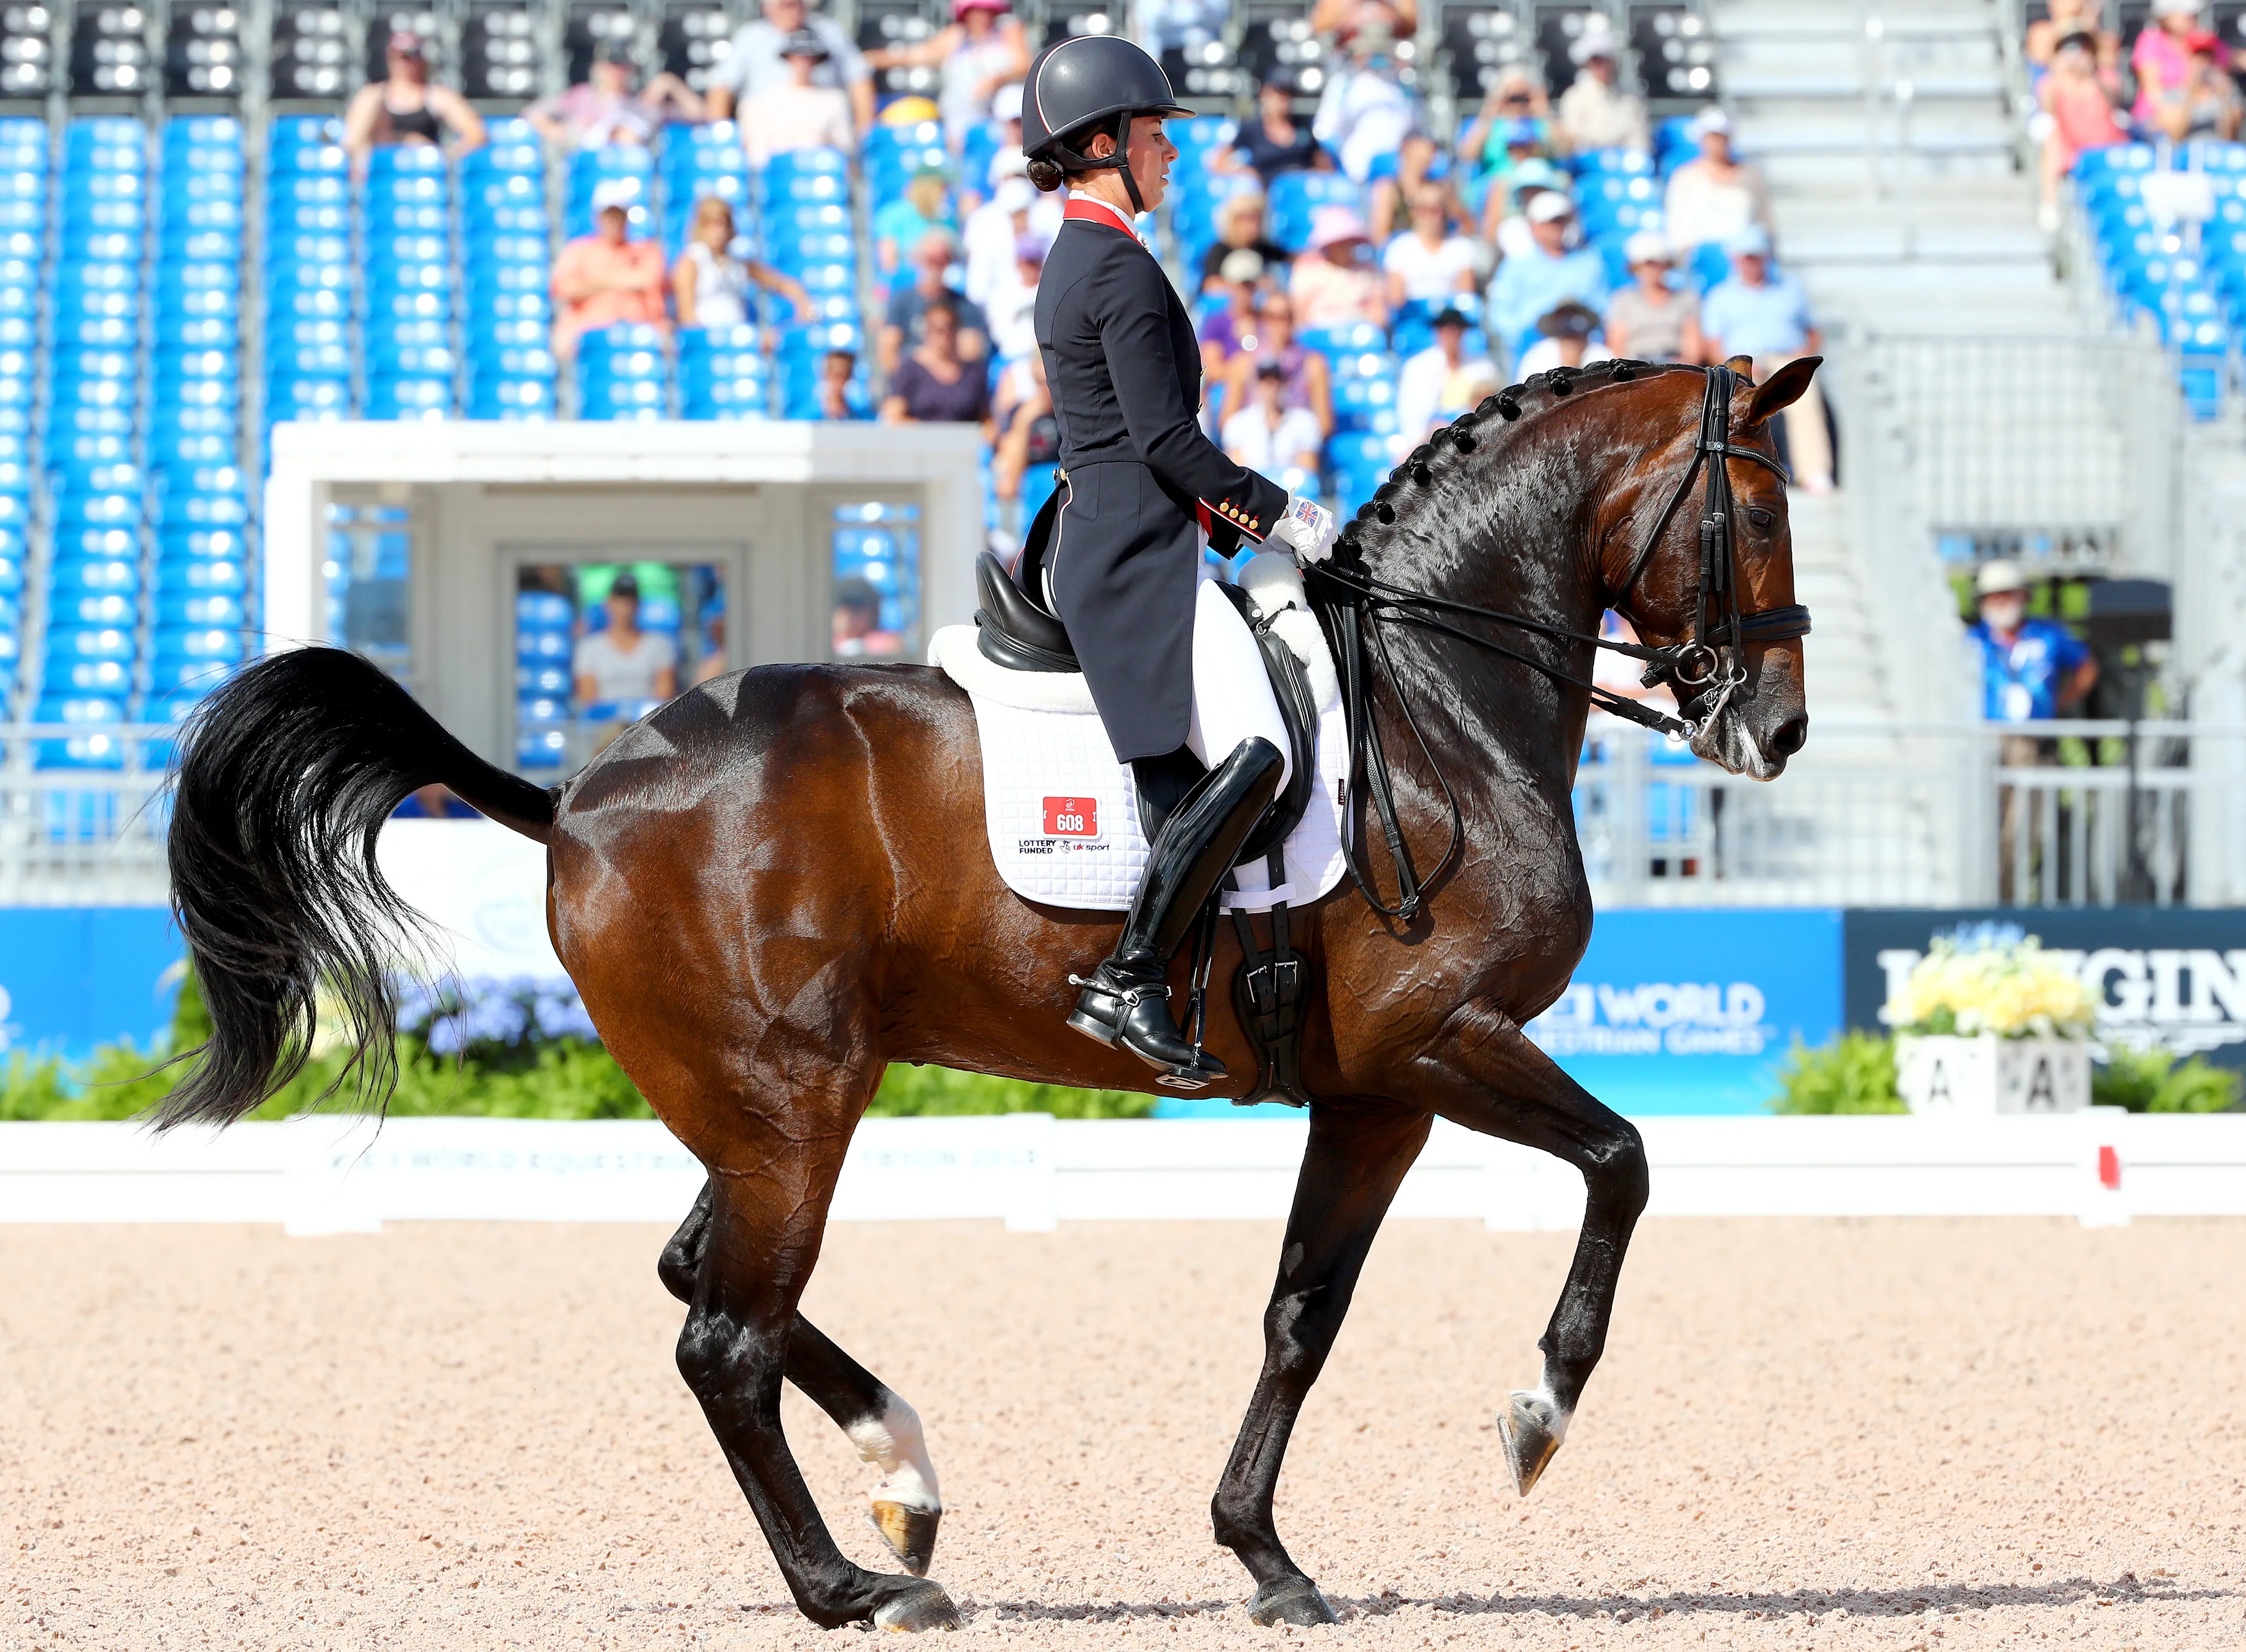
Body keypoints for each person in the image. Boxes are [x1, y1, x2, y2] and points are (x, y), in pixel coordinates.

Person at [1020, 35, 1335, 1082]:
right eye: (1156, 135)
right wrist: (1282, 515)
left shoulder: (1093, 255)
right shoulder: (1107, 263)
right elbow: (1165, 444)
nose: (1171, 155)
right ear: (1102, 142)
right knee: (1262, 751)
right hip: (1132, 555)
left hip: (1131, 537)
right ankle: (1132, 973)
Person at [1966, 560, 2097, 900]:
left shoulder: (2047, 634)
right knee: (1983, 828)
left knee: (2022, 833)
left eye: (2006, 594)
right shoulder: (1970, 640)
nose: (1999, 602)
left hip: (2032, 744)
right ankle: (1988, 898)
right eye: (1991, 596)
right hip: (1985, 742)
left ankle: (2009, 898)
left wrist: (2060, 702)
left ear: (2022, 595)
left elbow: (2086, 666)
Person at [1700, 225, 1831, 493]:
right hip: (1741, 363)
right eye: (1747, 257)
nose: (1752, 263)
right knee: (1739, 400)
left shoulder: (1791, 289)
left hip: (1786, 357)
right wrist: (1734, 366)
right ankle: (1733, 469)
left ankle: (1814, 471)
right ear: (1736, 260)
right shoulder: (1721, 296)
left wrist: (1803, 356)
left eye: (1756, 256)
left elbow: (1813, 333)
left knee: (1805, 395)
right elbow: (1712, 345)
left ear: (1767, 257)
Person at [865, 0, 1030, 149]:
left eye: (986, 10)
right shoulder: (956, 37)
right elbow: (914, 56)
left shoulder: (1008, 30)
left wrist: (997, 80)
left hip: (1000, 118)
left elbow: (1024, 65)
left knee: (1011, 100)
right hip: (961, 116)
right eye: (975, 11)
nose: (981, 16)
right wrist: (868, 59)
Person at [705, 0, 873, 138]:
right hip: (767, 120)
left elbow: (859, 78)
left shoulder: (829, 32)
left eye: (795, 5)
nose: (792, 11)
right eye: (785, 6)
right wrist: (721, 137)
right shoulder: (750, 36)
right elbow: (721, 88)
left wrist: (864, 130)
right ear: (767, 7)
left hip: (821, 122)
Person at [1312, 24, 1420, 239]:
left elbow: (1416, 131)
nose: (1376, 56)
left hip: (1399, 170)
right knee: (1384, 184)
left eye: (1381, 51)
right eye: (1370, 50)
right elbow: (1324, 131)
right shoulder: (1343, 85)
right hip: (1355, 170)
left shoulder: (1403, 87)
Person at [1484, 191, 1608, 370]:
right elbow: (1500, 317)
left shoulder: (1589, 262)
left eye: (1559, 222)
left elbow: (1602, 310)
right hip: (1534, 346)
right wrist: (1532, 327)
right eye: (1549, 223)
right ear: (1534, 227)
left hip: (1583, 345)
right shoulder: (1516, 266)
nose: (1555, 229)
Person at [551, 180, 668, 361]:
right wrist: (622, 280)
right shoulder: (578, 250)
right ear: (597, 217)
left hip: (640, 330)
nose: (614, 222)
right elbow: (565, 289)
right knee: (562, 341)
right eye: (609, 216)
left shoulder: (647, 250)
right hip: (586, 331)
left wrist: (594, 283)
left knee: (668, 339)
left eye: (618, 215)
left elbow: (650, 280)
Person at [524, 41, 703, 150]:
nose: (616, 72)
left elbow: (701, 115)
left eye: (621, 66)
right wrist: (558, 132)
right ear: (597, 68)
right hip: (589, 177)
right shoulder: (582, 97)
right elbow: (533, 112)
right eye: (610, 66)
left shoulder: (643, 104)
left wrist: (670, 83)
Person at [342, 31, 486, 166]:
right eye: (401, 57)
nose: (406, 64)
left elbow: (476, 134)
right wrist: (396, 144)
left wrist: (441, 156)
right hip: (384, 170)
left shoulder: (436, 96)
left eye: (411, 57)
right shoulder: (372, 97)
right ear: (390, 58)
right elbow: (352, 142)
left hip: (424, 173)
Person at [674, 197, 814, 329]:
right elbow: (687, 317)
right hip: (707, 342)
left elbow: (781, 283)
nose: (719, 231)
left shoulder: (738, 262)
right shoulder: (691, 262)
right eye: (712, 224)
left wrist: (803, 302)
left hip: (740, 339)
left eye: (724, 224)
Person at [2039, 25, 2129, 218]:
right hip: (2071, 150)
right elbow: (2047, 107)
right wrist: (2058, 72)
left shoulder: (2106, 78)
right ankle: (2050, 205)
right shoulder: (2054, 84)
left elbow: (2113, 101)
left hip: (2106, 147)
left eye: (2082, 48)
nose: (2076, 55)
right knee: (2051, 140)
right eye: (2069, 49)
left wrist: (2092, 75)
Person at [1220, 291, 1333, 437]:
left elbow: (1324, 424)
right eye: (1270, 317)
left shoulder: (1313, 364)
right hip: (1254, 439)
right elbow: (1227, 422)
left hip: (1296, 440)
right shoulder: (1242, 364)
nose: (1277, 324)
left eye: (1284, 317)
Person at [1661, 108, 1771, 257]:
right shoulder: (1684, 178)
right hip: (1700, 262)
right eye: (1711, 137)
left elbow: (1764, 224)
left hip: (1744, 260)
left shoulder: (1751, 177)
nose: (1717, 143)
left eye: (1721, 137)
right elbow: (1677, 229)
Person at [738, 27, 856, 165]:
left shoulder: (834, 101)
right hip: (778, 177)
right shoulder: (759, 104)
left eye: (810, 57)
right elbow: (757, 157)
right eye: (798, 56)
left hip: (818, 175)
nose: (804, 62)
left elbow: (845, 150)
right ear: (788, 58)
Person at [880, 228, 989, 373]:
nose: (935, 266)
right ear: (919, 260)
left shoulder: (965, 307)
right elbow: (888, 355)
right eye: (930, 259)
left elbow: (972, 352)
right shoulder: (902, 302)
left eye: (942, 259)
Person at [879, 296, 992, 429]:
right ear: (927, 332)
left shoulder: (974, 372)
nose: (945, 336)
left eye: (950, 328)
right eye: (939, 330)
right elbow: (894, 414)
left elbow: (986, 417)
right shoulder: (910, 369)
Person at [573, 572, 678, 707]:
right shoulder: (589, 647)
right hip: (605, 725)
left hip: (646, 723)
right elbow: (588, 698)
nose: (625, 608)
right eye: (620, 600)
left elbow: (664, 694)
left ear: (638, 605)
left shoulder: (660, 645)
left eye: (630, 601)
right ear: (609, 604)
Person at [1395, 303, 1493, 441]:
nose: (1451, 335)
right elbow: (1410, 416)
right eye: (1445, 329)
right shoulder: (1417, 368)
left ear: (1463, 332)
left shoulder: (1483, 368)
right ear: (1437, 333)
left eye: (1455, 329)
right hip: (1430, 441)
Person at [1603, 230, 1703, 364]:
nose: (1651, 270)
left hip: (1675, 368)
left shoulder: (1685, 299)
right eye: (1646, 265)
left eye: (1656, 264)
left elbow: (1693, 349)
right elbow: (1616, 347)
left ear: (1667, 265)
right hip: (1636, 369)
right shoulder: (1623, 300)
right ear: (1635, 267)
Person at [1554, 16, 1649, 154]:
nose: (1601, 66)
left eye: (1605, 59)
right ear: (1588, 63)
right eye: (1596, 60)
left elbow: (1639, 143)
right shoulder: (1574, 98)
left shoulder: (1633, 99)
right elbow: (1574, 144)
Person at [1383, 180, 1481, 308]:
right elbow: (1396, 300)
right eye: (1423, 209)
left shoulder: (1461, 247)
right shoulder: (1399, 248)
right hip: (1413, 318)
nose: (1429, 216)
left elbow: (1466, 299)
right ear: (1414, 213)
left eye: (1435, 210)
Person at [1289, 205, 1386, 330]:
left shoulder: (1368, 270)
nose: (1345, 245)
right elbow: (1300, 318)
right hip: (1319, 340)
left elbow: (1378, 315)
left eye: (1348, 240)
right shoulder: (1308, 269)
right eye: (1340, 241)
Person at [1221, 359, 1325, 476]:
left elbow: (1307, 473)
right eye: (1266, 382)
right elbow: (1237, 471)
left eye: (1277, 382)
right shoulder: (1238, 424)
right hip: (1253, 489)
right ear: (1257, 385)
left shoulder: (1305, 422)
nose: (1272, 388)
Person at [1224, 76, 1327, 183]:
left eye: (1286, 95)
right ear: (1264, 95)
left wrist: (1312, 176)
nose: (1281, 101)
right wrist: (1246, 173)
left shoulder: (1303, 128)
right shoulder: (1252, 129)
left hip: (1300, 190)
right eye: (1276, 95)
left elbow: (1324, 166)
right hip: (1267, 191)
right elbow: (1219, 161)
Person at [2154, 28, 2242, 141]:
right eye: (2198, 57)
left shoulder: (2228, 90)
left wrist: (2225, 98)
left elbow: (2231, 137)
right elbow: (2175, 137)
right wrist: (2190, 96)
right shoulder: (2174, 94)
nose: (2204, 62)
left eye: (2208, 56)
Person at [875, 167, 958, 285]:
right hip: (903, 287)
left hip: (940, 286)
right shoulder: (892, 216)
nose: (945, 194)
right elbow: (888, 262)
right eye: (941, 188)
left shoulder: (947, 219)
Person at [1195, 190, 1289, 295]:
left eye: (1255, 218)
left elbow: (1290, 260)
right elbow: (1211, 285)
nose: (1252, 225)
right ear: (1233, 221)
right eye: (1245, 219)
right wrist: (1243, 287)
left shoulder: (1266, 249)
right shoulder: (1220, 250)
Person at [1198, 248, 1267, 385]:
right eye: (1240, 285)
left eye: (1249, 285)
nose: (1245, 291)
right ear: (1230, 286)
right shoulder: (1216, 323)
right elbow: (1212, 369)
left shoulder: (1267, 319)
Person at [2132, 0, 2205, 126]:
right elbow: (2153, 92)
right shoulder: (2151, 40)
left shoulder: (2199, 42)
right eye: (2186, 15)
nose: (2192, 19)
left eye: (2194, 15)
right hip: (2155, 118)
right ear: (2166, 15)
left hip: (2191, 112)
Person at [1514, 300, 1614, 377]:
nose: (1569, 325)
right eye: (1564, 320)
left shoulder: (1601, 354)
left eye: (1575, 320)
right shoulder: (1538, 356)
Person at [832, 575, 902, 656]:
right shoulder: (827, 644)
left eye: (858, 609)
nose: (851, 616)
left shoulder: (889, 643)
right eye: (847, 609)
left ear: (873, 612)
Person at [815, 348, 872, 419]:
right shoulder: (809, 417)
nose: (841, 381)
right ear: (826, 376)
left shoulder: (864, 416)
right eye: (837, 376)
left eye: (847, 376)